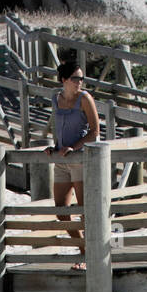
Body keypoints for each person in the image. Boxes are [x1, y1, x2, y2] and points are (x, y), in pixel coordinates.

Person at [46, 59, 100, 266]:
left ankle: (88, 255)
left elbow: (95, 132)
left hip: (80, 159)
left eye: (81, 78)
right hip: (61, 159)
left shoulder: (85, 98)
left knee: (85, 209)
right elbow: (57, 126)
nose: (80, 82)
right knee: (61, 209)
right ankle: (83, 249)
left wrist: (74, 147)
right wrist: (54, 146)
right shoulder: (56, 98)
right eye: (76, 78)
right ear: (64, 80)